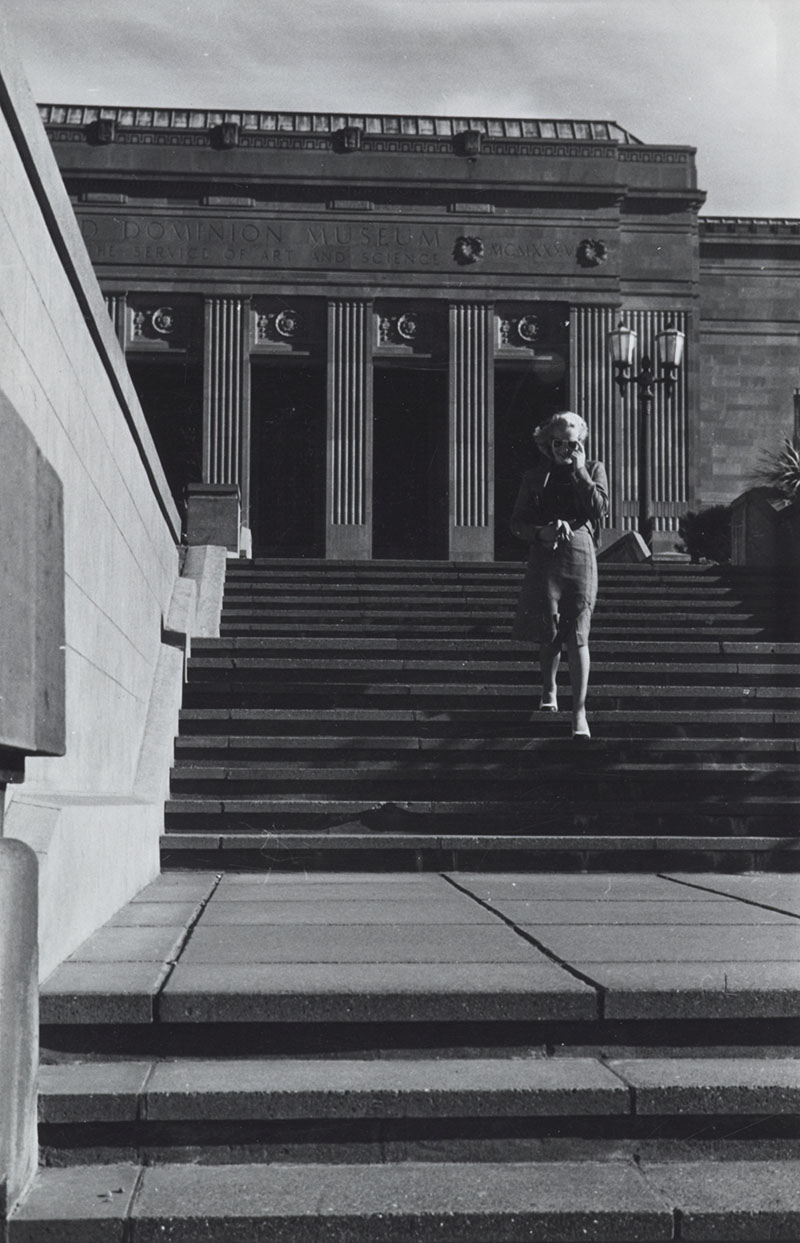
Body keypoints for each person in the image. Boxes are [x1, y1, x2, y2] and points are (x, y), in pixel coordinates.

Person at [510, 411, 609, 739]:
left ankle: (579, 711)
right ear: (547, 442)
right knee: (548, 626)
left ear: (581, 441)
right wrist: (542, 532)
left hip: (580, 551)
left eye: (572, 442)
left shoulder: (593, 469)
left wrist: (580, 471)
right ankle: (549, 689)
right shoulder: (534, 476)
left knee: (578, 630)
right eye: (558, 442)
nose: (565, 449)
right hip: (546, 553)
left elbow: (600, 510)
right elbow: (517, 523)